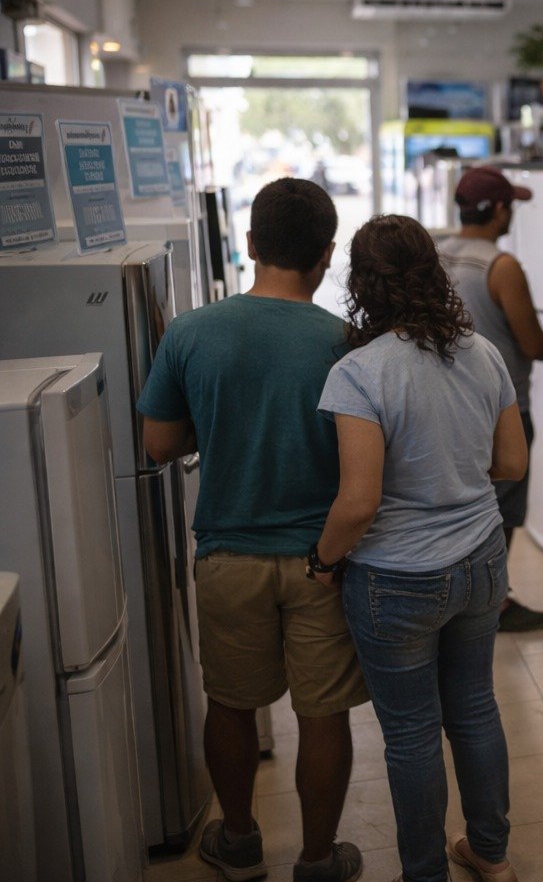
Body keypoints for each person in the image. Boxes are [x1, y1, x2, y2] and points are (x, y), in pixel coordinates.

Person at [139, 178, 369, 882]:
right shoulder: (346, 345)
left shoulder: (190, 332)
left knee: (232, 705)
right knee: (324, 712)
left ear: (249, 245)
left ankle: (238, 841)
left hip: (227, 556)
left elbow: (157, 445)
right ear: (327, 256)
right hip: (322, 561)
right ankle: (318, 858)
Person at [310, 214, 528, 882]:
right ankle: (489, 852)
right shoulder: (480, 351)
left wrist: (322, 560)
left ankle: (426, 872)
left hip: (396, 578)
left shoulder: (358, 373)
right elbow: (512, 464)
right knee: (475, 708)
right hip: (482, 560)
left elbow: (358, 502)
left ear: (362, 286)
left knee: (410, 733)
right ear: (433, 272)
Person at [437, 166, 543, 632]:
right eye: (511, 205)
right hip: (501, 413)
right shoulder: (502, 267)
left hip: (448, 408)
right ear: (499, 210)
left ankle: (465, 598)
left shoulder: (438, 258)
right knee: (500, 512)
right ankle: (492, 604)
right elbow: (534, 344)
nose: (513, 214)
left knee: (466, 508)